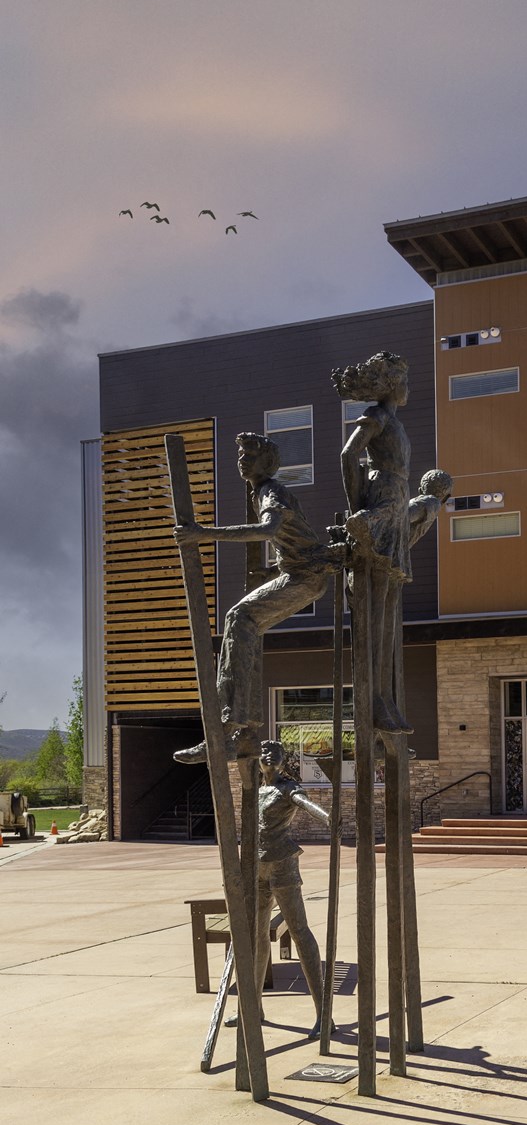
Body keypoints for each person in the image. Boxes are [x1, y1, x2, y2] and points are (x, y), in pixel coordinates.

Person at [173, 432, 338, 764]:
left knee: (239, 618)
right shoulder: (262, 491)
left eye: (250, 456)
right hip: (298, 573)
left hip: (304, 576)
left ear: (268, 464)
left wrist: (202, 534)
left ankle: (226, 727)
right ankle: (241, 733)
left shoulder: (271, 492)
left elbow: (267, 530)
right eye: (241, 456)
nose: (242, 461)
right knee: (246, 630)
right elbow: (287, 541)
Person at [331, 351, 415, 733]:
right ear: (393, 385)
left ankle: (385, 696)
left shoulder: (392, 421)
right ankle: (375, 698)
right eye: (404, 381)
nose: (408, 388)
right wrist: (358, 504)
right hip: (383, 502)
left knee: (388, 608)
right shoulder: (378, 417)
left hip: (396, 504)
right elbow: (349, 454)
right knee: (376, 609)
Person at [225, 740, 333, 1037]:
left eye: (277, 753)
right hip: (256, 867)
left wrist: (327, 817)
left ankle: (324, 1014)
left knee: (299, 931)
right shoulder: (255, 791)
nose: (270, 756)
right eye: (265, 753)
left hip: (282, 864)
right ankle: (252, 1007)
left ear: (284, 762)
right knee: (256, 936)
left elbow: (305, 803)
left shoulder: (288, 788)